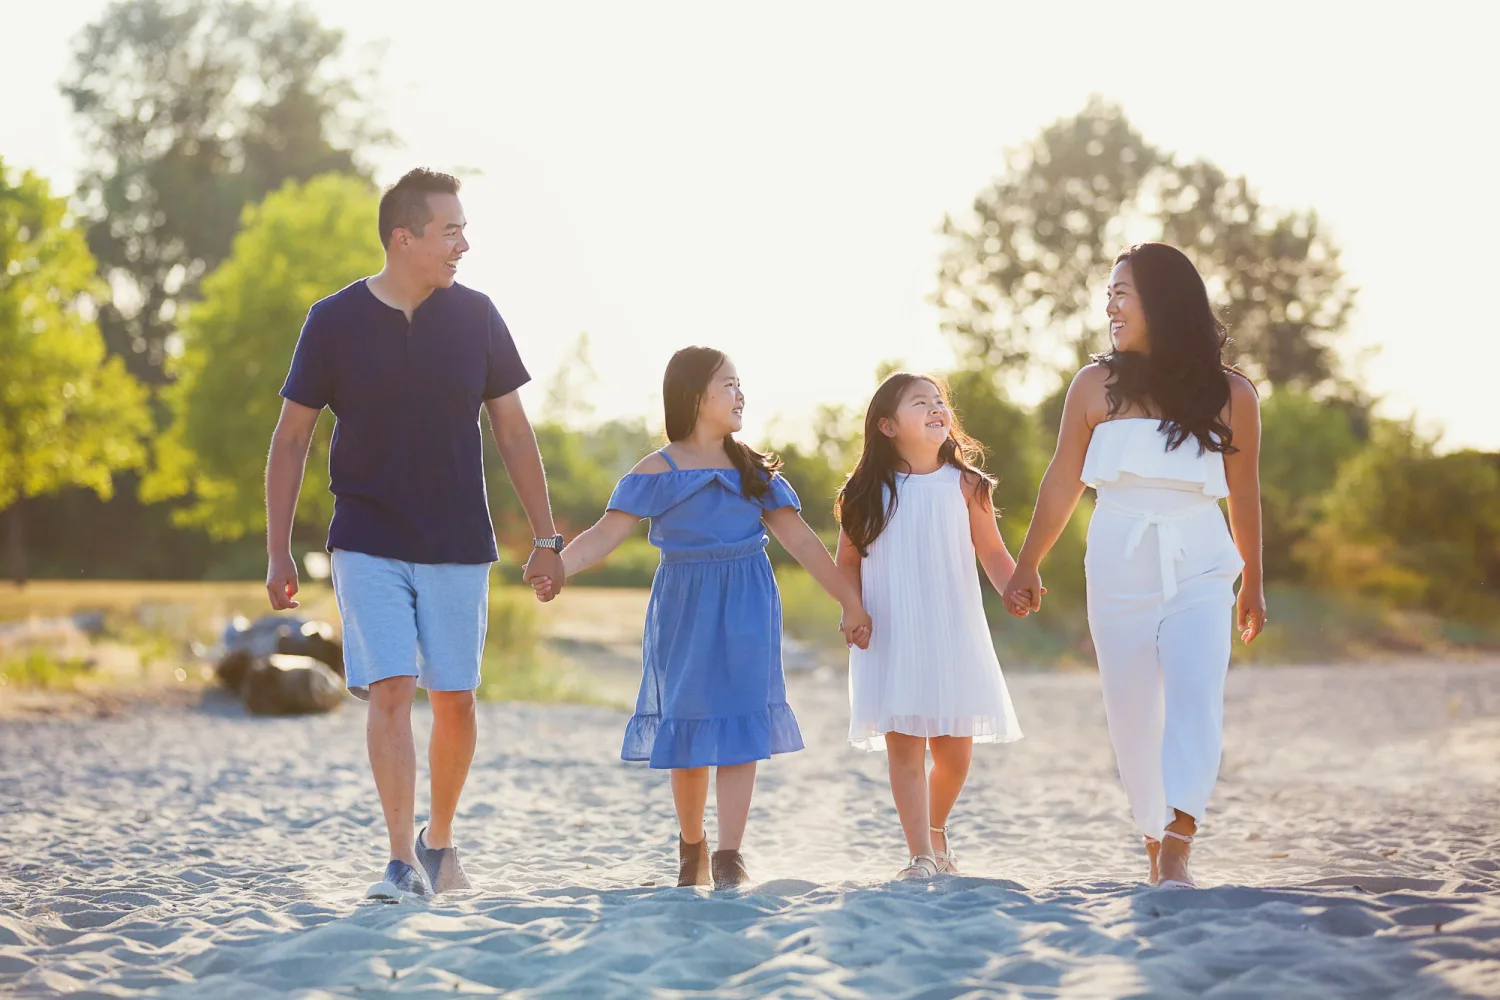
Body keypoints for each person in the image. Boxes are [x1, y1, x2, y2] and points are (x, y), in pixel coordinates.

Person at [265, 168, 565, 901]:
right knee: (393, 687)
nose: (465, 243)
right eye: (451, 230)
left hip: (460, 539)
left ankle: (438, 841)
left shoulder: (478, 316)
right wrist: (278, 550)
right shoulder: (331, 320)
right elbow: (293, 437)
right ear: (405, 238)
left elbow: (514, 432)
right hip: (366, 535)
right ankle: (399, 860)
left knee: (455, 699)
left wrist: (548, 536)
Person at [527, 347, 872, 889]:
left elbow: (803, 543)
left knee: (739, 722)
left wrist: (850, 602)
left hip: (748, 601)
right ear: (694, 397)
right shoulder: (656, 471)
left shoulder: (753, 470)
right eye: (729, 385)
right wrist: (560, 568)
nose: (741, 395)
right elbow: (605, 535)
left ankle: (730, 854)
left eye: (740, 385)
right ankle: (693, 843)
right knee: (688, 725)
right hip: (684, 604)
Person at [1003, 242, 1266, 889]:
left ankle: (1179, 840)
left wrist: (1253, 579)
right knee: (1131, 711)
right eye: (1109, 295)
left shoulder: (1233, 394)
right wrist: (1027, 563)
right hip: (1117, 560)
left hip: (1200, 560)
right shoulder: (1095, 386)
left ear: (1165, 301)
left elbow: (1245, 493)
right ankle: (1153, 835)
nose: (1111, 306)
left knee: (1196, 696)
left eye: (1123, 292)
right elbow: (1063, 481)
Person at [835, 372, 1023, 879]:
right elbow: (847, 564)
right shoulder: (864, 491)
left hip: (951, 630)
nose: (937, 408)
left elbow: (992, 551)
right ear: (888, 426)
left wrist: (1015, 585)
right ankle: (919, 854)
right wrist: (853, 610)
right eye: (922, 403)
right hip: (893, 631)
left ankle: (936, 828)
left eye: (940, 401)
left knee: (955, 757)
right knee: (904, 748)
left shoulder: (967, 485)